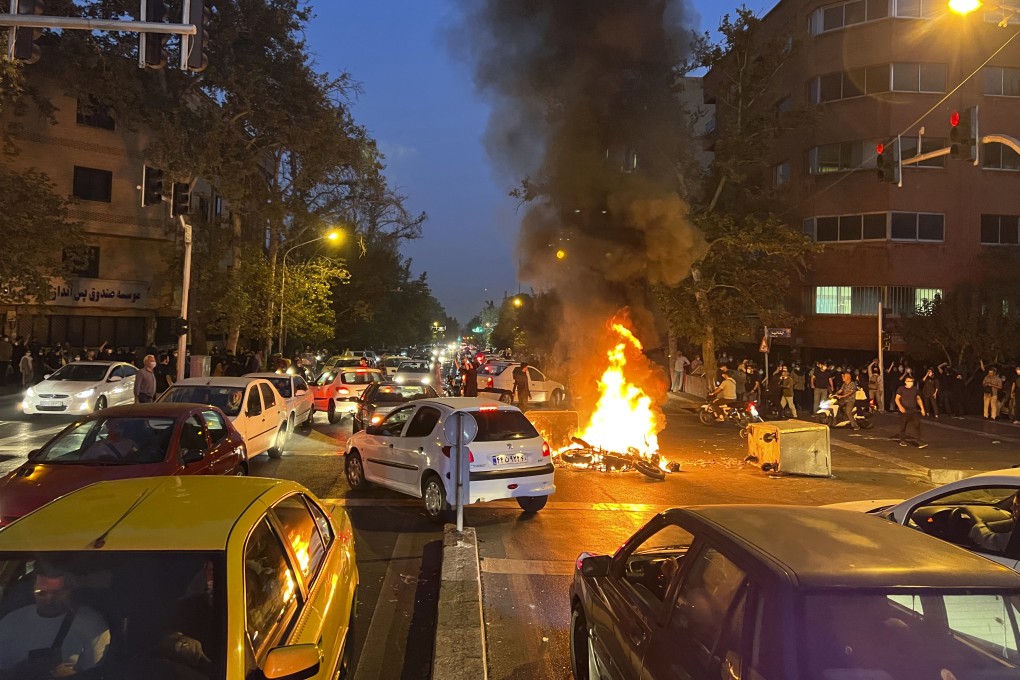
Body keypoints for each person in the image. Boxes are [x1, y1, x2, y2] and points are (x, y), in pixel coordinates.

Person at [0, 561, 110, 677]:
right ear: (33, 589)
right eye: (41, 593)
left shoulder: (91, 624)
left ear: (71, 590)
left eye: (58, 593)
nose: (49, 600)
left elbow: (99, 674)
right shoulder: (11, 621)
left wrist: (73, 677)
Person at [895, 375, 928, 448]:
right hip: (904, 410)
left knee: (917, 424)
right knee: (903, 425)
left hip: (913, 410)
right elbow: (897, 399)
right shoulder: (901, 389)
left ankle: (918, 441)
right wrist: (900, 407)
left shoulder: (915, 389)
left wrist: (922, 408)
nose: (910, 383)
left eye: (912, 382)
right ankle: (902, 440)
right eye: (909, 381)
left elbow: (918, 399)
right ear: (905, 382)